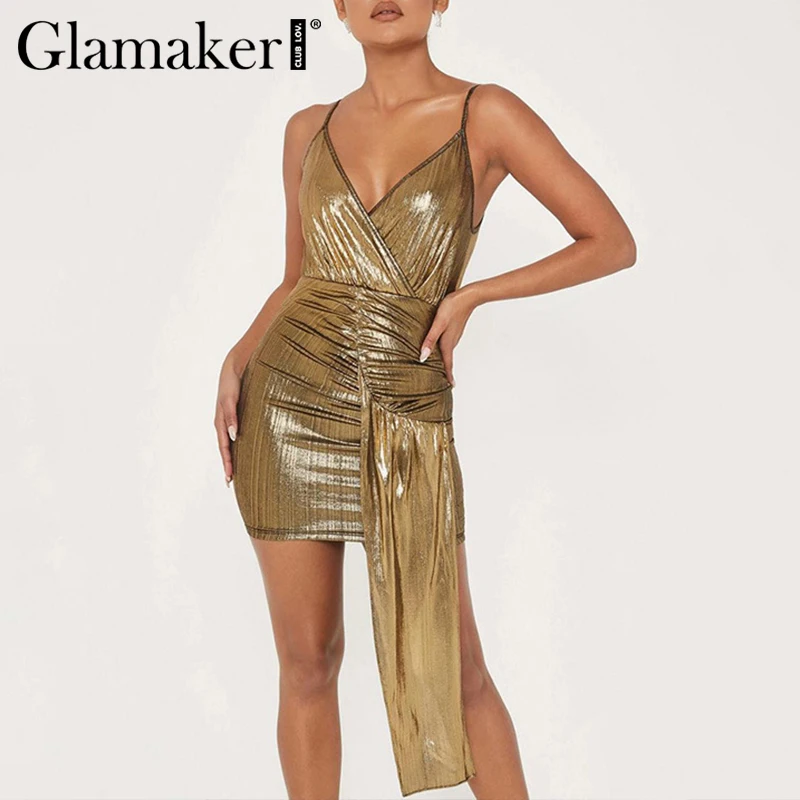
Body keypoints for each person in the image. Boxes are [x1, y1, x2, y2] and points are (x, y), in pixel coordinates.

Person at [214, 1, 636, 797]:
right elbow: (298, 278)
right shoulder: (307, 129)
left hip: (406, 407)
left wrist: (473, 294)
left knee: (455, 666)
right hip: (286, 407)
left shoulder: (487, 114)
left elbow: (610, 241)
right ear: (338, 7)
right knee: (307, 662)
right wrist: (236, 358)